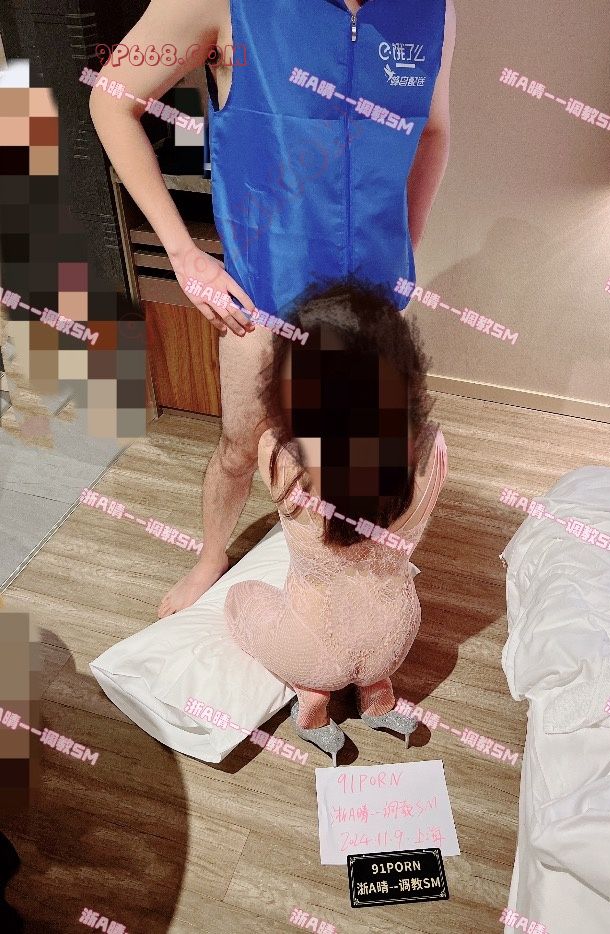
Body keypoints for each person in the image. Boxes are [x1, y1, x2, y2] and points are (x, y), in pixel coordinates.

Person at [88, 0, 456, 618]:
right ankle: (210, 556)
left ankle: (347, 561)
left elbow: (434, 129)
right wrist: (184, 255)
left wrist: (406, 243)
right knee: (240, 445)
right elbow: (111, 100)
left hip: (369, 309)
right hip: (262, 299)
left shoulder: (433, 9)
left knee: (359, 456)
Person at [224, 281, 448, 764]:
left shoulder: (278, 456)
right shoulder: (434, 450)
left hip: (313, 652)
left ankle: (312, 704)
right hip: (395, 638)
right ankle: (376, 695)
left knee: (238, 598)